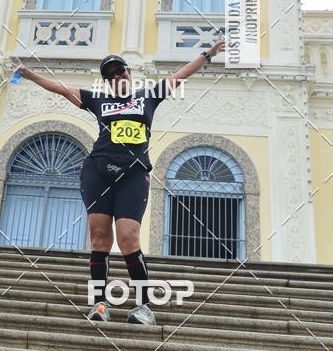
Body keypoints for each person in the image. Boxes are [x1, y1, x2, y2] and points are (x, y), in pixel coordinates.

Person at [14, 34, 225, 325]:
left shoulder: (148, 96)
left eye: (120, 70)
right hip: (97, 172)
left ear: (129, 72)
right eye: (110, 74)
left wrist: (209, 54)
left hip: (134, 174)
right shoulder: (96, 100)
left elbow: (180, 75)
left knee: (128, 237)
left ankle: (144, 307)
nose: (116, 76)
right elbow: (61, 89)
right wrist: (27, 74)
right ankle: (99, 305)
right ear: (107, 81)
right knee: (100, 238)